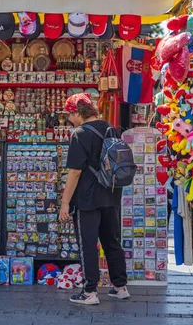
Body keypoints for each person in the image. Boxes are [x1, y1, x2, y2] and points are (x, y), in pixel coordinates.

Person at [59, 93, 129, 305]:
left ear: (78, 112)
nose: (68, 120)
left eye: (69, 114)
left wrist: (64, 203)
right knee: (111, 241)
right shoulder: (110, 127)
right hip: (111, 193)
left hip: (87, 198)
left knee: (88, 244)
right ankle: (120, 286)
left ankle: (89, 291)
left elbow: (75, 172)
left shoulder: (79, 134)